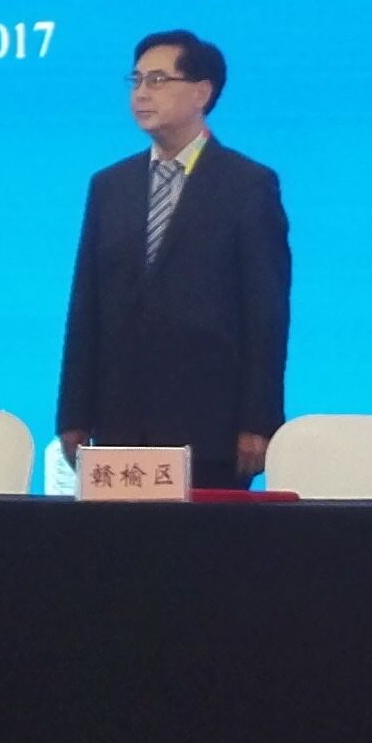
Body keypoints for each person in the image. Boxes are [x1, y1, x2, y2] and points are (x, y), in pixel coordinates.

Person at [55, 27, 291, 485]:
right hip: (120, 423)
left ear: (202, 92)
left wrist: (259, 421)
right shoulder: (110, 186)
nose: (141, 93)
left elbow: (265, 313)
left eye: (158, 80)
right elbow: (86, 306)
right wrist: (73, 414)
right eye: (137, 80)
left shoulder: (247, 186)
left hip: (210, 426)